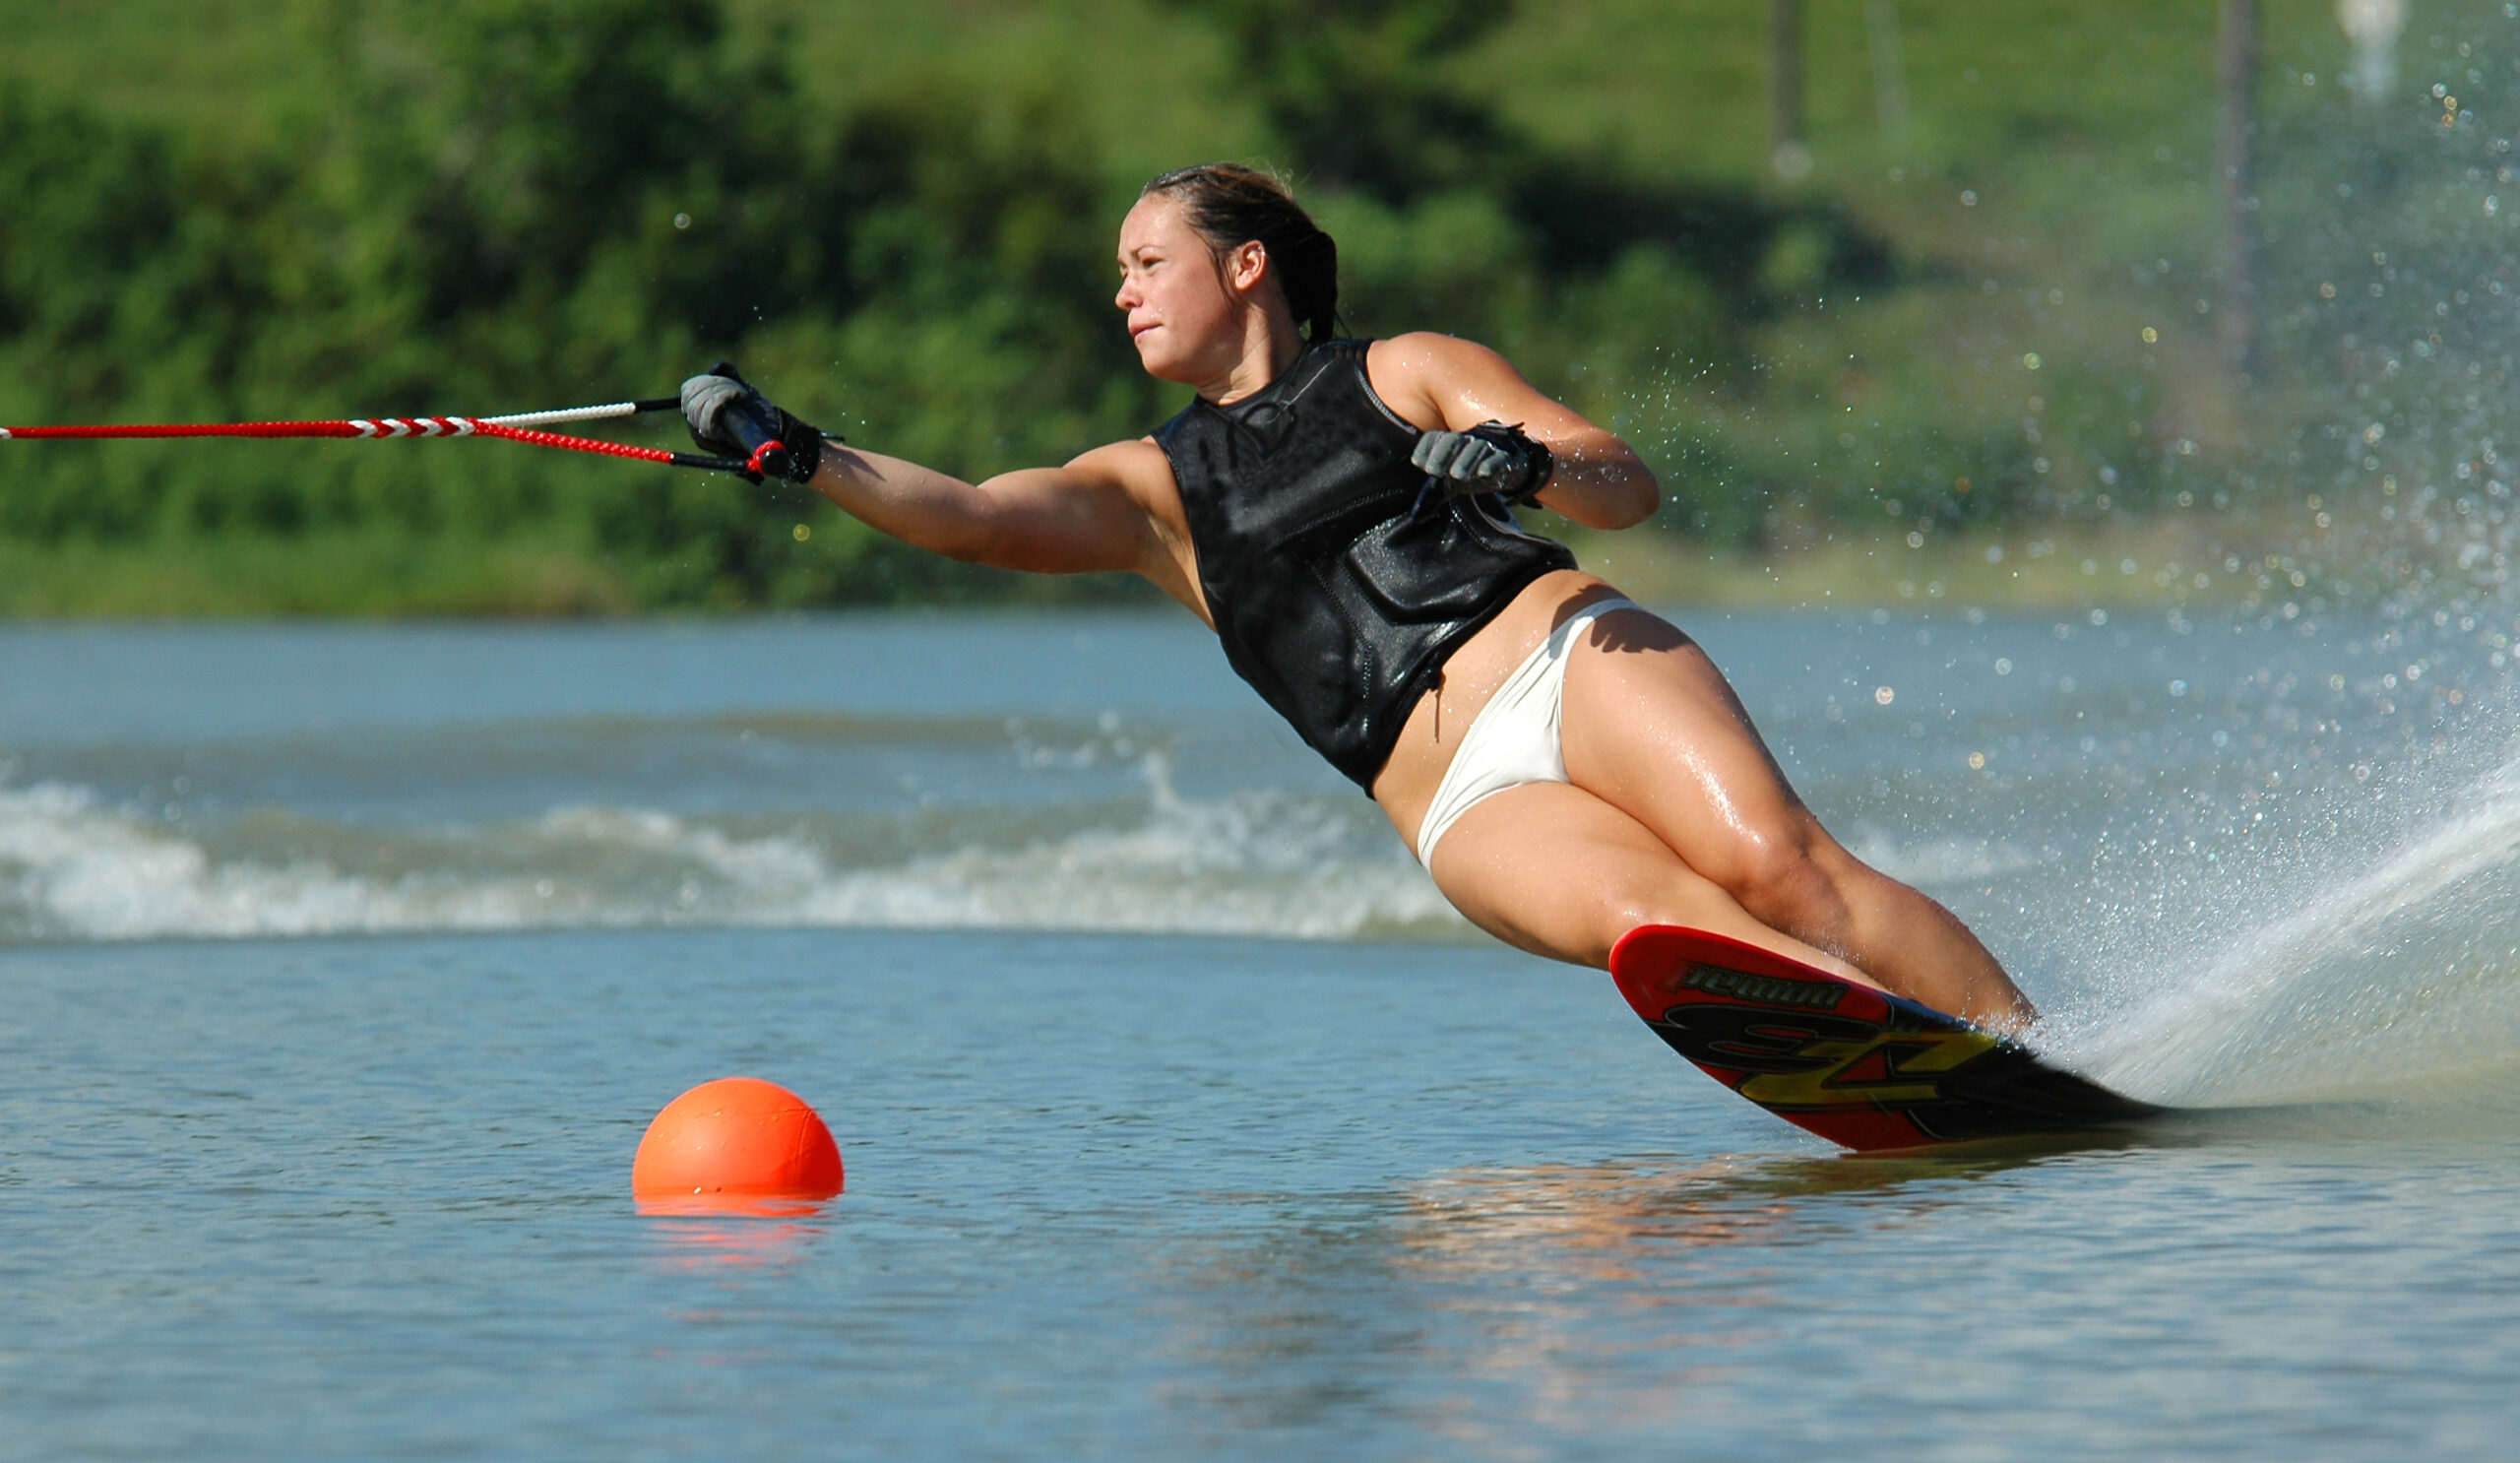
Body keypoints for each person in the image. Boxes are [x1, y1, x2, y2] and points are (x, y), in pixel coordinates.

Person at [681, 162, 2034, 1029]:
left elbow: (1625, 483)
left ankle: (2036, 1053)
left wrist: (1524, 461)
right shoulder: (1152, 493)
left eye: (1147, 262)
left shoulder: (1408, 368)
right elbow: (973, 518)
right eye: (1121, 273)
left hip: (1570, 656)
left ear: (1246, 264)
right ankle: (1906, 1064)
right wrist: (802, 455)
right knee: (1673, 931)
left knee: (1781, 872)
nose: (1122, 291)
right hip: (1454, 798)